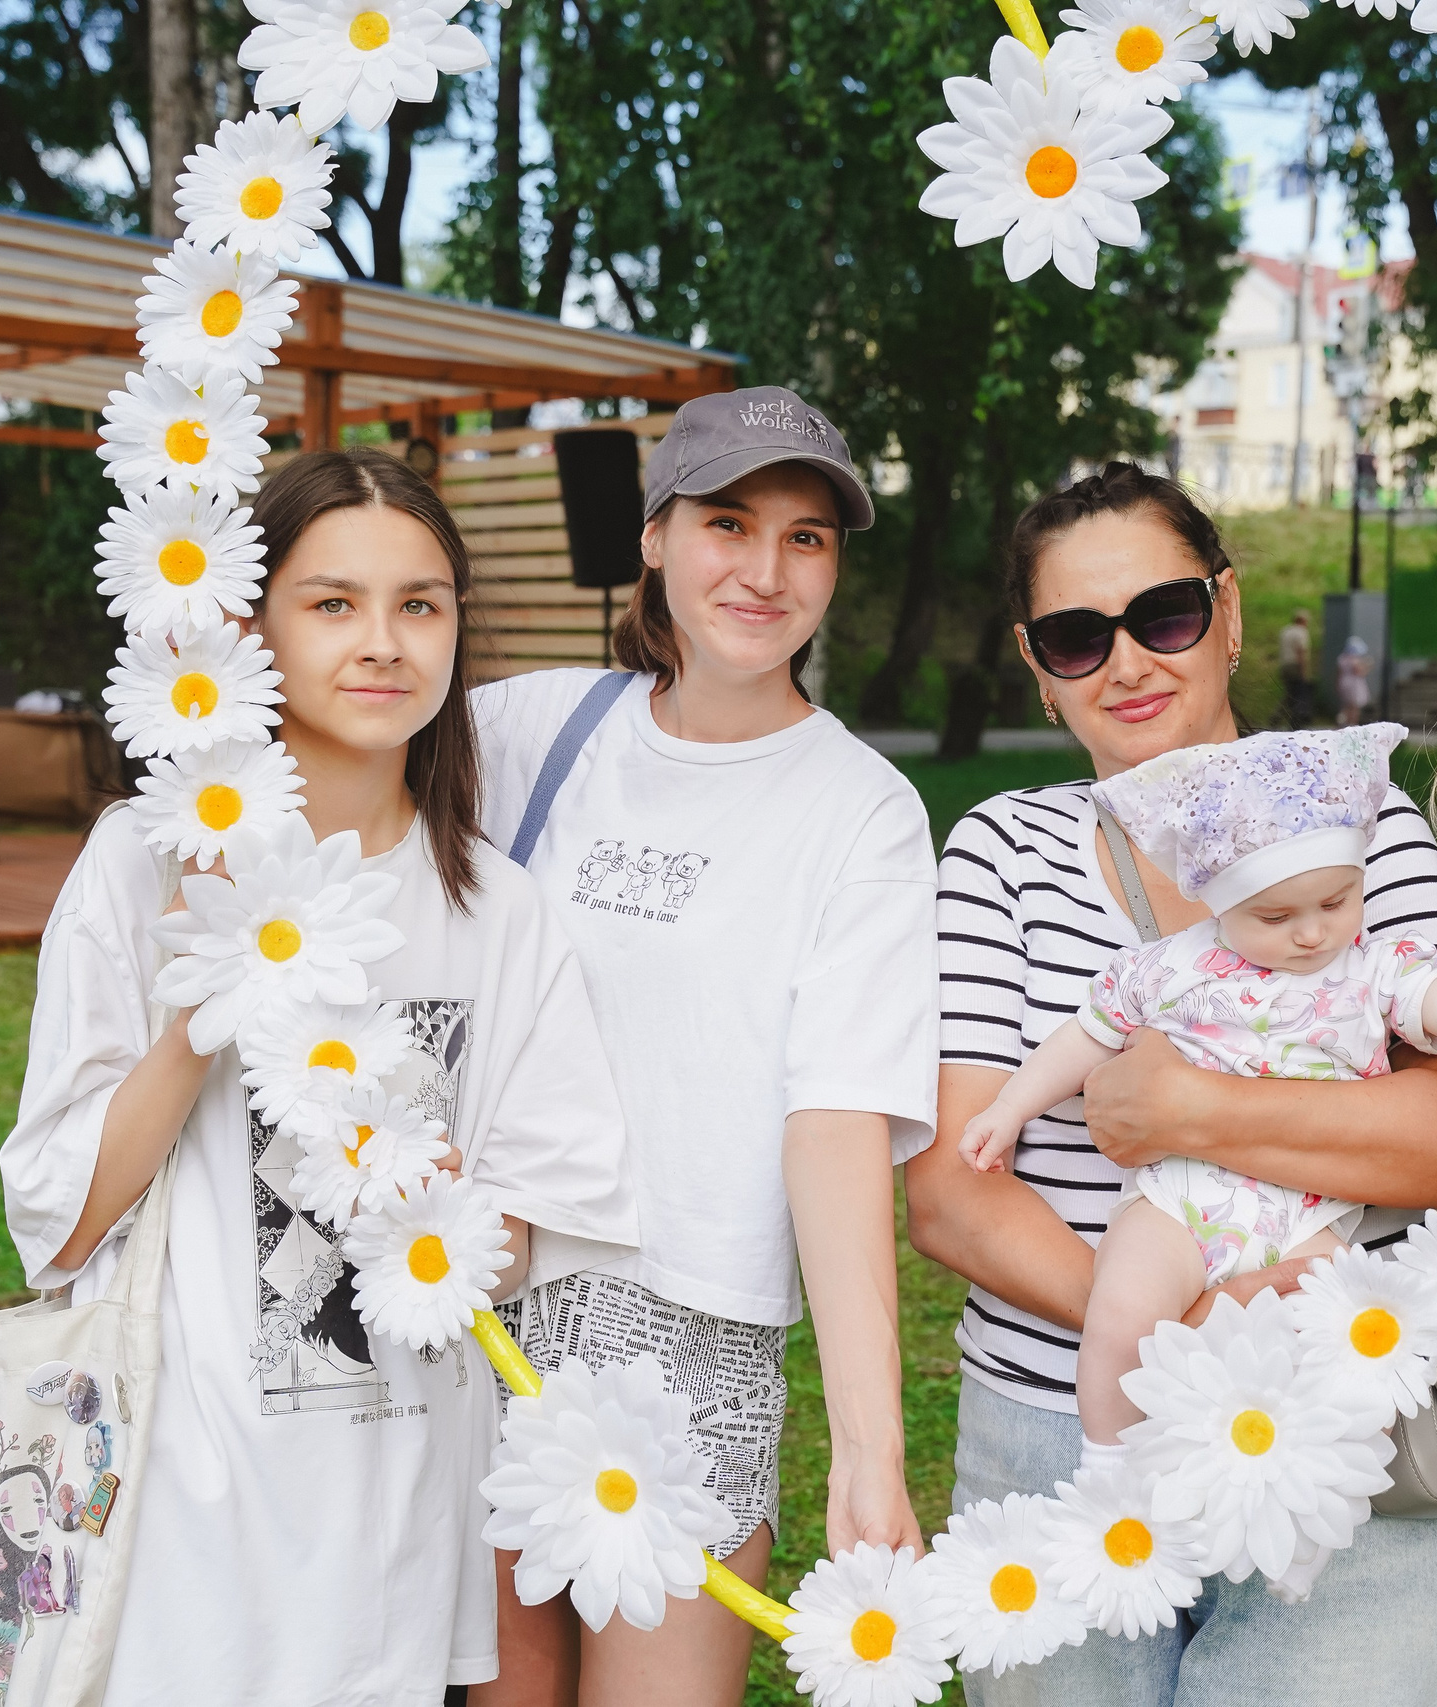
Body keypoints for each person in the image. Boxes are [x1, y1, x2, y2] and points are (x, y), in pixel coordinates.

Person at [0, 449, 635, 1703]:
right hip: (177, 1504)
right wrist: (202, 996)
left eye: (421, 603)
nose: (383, 642)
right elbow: (58, 1219)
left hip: (393, 1515)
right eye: (332, 603)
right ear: (253, 629)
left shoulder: (495, 911)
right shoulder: (142, 863)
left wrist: (447, 1218)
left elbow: (545, 1222)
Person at [908, 461, 1437, 1704]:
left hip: (1342, 1430)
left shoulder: (1365, 832)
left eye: (1166, 615)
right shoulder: (1001, 852)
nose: (1128, 661)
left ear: (1229, 613)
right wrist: (1176, 1350)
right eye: (1078, 638)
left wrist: (1194, 1113)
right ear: (1038, 665)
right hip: (1061, 1438)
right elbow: (951, 1192)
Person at [470, 386, 935, 1707]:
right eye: (729, 522)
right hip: (492, 1302)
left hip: (692, 1337)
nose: (766, 569)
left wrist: (868, 1446)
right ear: (658, 538)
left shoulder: (865, 812)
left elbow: (837, 1121)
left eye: (808, 537)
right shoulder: (531, 732)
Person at [958, 722, 1437, 1487]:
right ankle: (1110, 1469)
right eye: (1277, 918)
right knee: (1120, 1317)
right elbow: (1085, 1035)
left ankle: (1324, 1495)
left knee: (1353, 1348)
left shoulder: (1369, 970)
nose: (1313, 932)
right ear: (1222, 905)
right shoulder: (1171, 968)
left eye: (1336, 900)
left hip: (1309, 1211)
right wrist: (1010, 1107)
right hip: (1179, 1201)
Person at [1276, 607, 1314, 726]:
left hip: (1285, 666)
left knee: (1289, 694)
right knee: (1298, 694)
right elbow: (1301, 652)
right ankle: (1295, 720)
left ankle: (1277, 717)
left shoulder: (1286, 631)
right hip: (1295, 666)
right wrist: (1304, 672)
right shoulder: (1301, 632)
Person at [1335, 633, 1374, 726]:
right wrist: (1369, 666)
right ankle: (1352, 724)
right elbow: (1359, 672)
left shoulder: (1342, 659)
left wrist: (1337, 685)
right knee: (1354, 707)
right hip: (1354, 684)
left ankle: (1343, 721)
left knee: (1346, 705)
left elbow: (1338, 673)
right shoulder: (1355, 660)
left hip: (1343, 682)